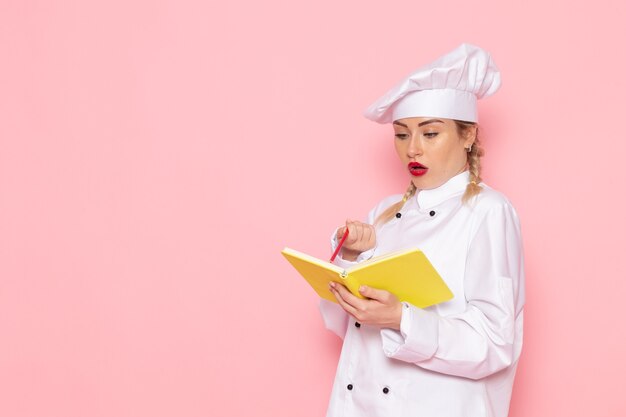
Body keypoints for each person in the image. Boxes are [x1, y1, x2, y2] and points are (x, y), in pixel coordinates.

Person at [320, 43, 525, 417]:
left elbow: (495, 344)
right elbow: (343, 326)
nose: (413, 149)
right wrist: (350, 259)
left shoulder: (488, 212)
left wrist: (402, 318)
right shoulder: (383, 212)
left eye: (430, 134)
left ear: (468, 136)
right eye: (401, 135)